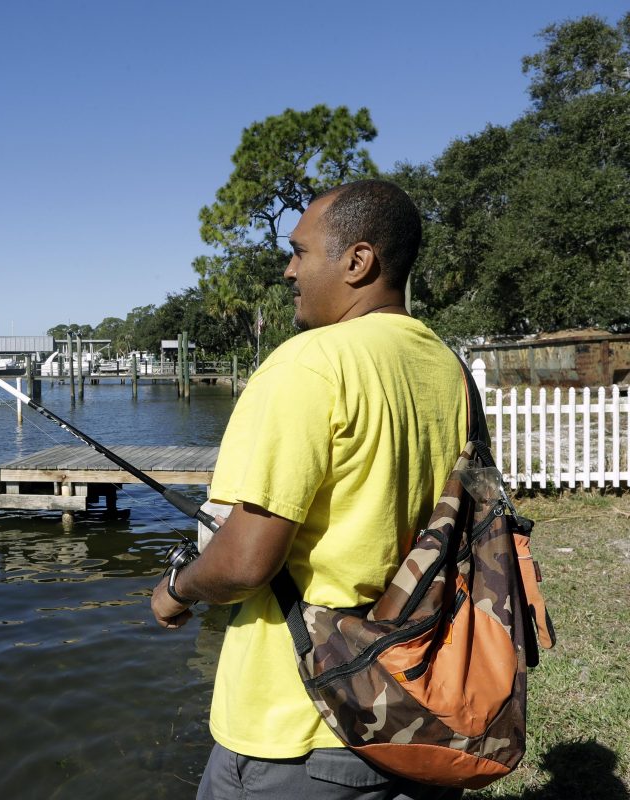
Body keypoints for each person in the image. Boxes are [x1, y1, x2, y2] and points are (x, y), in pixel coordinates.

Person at [151, 179, 466, 800]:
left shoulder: (308, 364)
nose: (288, 270)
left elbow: (244, 562)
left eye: (300, 252)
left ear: (358, 261)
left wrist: (175, 589)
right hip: (414, 701)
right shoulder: (446, 366)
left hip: (299, 732)